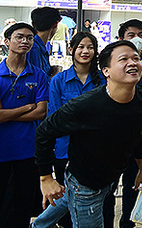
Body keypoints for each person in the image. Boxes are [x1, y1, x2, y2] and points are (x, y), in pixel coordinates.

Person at [36, 40, 142, 228]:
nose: (132, 63)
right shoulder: (85, 106)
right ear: (106, 71)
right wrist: (46, 178)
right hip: (85, 184)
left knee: (67, 199)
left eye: (136, 58)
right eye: (123, 59)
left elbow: (138, 133)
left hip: (110, 177)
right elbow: (44, 132)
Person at [34, 31, 101, 228]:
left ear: (96, 51)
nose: (85, 51)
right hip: (65, 150)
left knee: (96, 199)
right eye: (80, 47)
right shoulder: (58, 81)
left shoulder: (104, 81)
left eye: (90, 47)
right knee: (65, 198)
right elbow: (53, 118)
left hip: (97, 152)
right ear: (71, 49)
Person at [104, 18, 142, 228]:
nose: (138, 39)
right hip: (111, 133)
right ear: (120, 38)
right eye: (131, 35)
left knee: (133, 183)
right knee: (108, 185)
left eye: (141, 34)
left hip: (136, 133)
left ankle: (128, 222)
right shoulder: (110, 60)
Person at [0, 22, 50, 228]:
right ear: (6, 41)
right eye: (19, 37)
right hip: (2, 150)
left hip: (29, 151)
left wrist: (8, 114)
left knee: (22, 205)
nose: (25, 41)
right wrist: (25, 108)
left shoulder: (39, 75)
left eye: (29, 38)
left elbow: (41, 111)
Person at [28, 6, 62, 77]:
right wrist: (56, 74)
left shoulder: (39, 46)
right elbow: (37, 81)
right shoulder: (34, 48)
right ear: (56, 24)